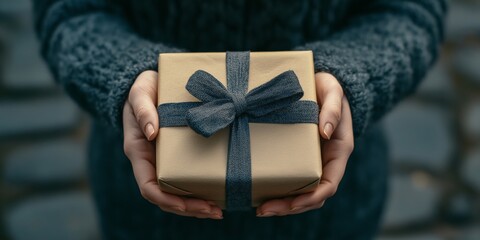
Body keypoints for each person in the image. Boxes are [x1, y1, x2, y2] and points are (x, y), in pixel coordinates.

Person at [33, 0, 446, 239]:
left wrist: (352, 75)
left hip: (333, 215)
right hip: (144, 210)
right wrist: (122, 75)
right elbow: (71, 12)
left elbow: (411, 11)